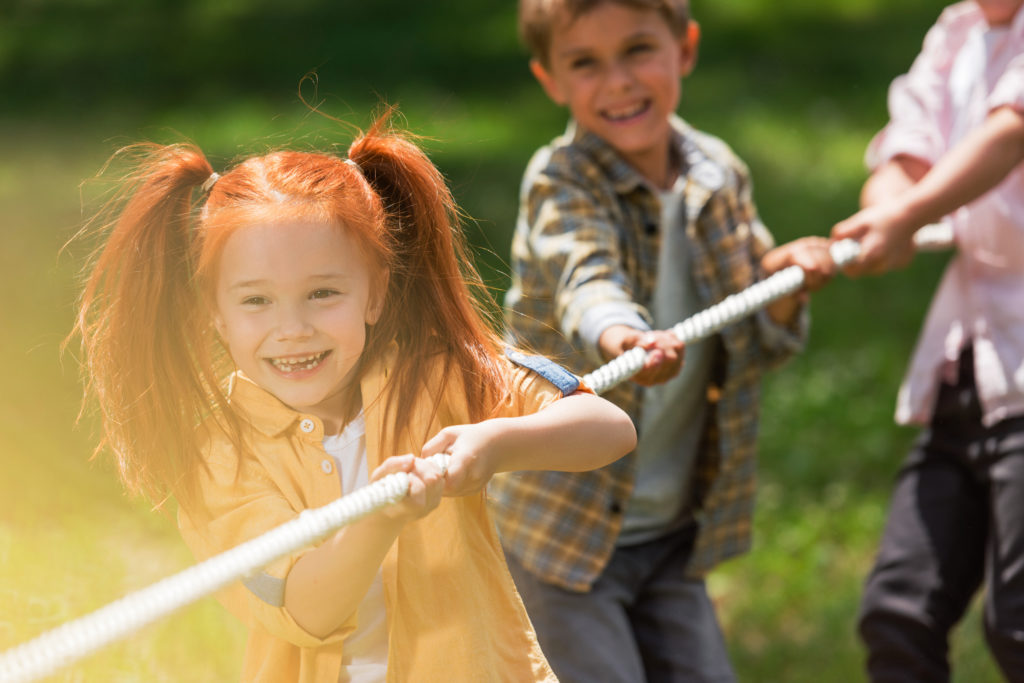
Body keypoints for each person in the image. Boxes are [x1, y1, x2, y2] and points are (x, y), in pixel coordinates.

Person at [70, 111, 638, 683]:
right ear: (216, 313)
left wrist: (493, 442)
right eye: (256, 301)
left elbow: (608, 426)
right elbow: (306, 609)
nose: (292, 328)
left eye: (322, 293)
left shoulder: (438, 373)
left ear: (375, 293)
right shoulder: (217, 454)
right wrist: (381, 515)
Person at [487, 1, 836, 681]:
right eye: (585, 62)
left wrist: (787, 280)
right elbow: (584, 274)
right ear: (549, 78)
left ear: (686, 48)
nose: (617, 81)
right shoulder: (561, 179)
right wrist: (620, 333)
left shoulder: (718, 173)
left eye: (639, 50)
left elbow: (753, 315)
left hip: (673, 524)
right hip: (562, 527)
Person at [830, 2, 1024, 680]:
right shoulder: (959, 30)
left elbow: (1009, 131)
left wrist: (908, 216)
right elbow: (906, 150)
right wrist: (884, 214)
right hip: (965, 362)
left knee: (1018, 626)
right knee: (898, 611)